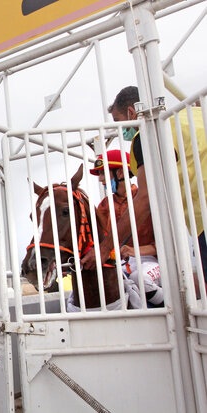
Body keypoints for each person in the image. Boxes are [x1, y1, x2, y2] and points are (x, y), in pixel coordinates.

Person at [82, 86, 207, 285]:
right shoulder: (196, 114)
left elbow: (146, 200)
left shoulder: (148, 135)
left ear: (131, 112)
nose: (120, 129)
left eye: (118, 121)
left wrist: (105, 250)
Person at [90, 149, 163, 306]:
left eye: (103, 173)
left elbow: (163, 246)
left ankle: (171, 309)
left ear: (121, 173)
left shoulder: (146, 200)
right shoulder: (104, 205)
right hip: (121, 264)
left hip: (150, 262)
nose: (100, 179)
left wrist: (132, 251)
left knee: (140, 278)